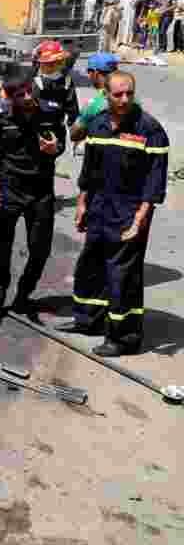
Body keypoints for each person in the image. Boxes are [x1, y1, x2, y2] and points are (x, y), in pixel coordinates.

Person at [58, 71, 169, 357]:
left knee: (122, 275)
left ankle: (123, 338)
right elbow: (89, 171)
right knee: (90, 264)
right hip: (98, 206)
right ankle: (88, 320)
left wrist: (139, 220)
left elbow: (154, 184)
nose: (124, 99)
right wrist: (82, 203)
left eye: (129, 93)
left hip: (130, 213)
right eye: (118, 94)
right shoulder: (97, 125)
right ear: (105, 94)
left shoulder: (150, 130)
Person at [0, 70, 67, 326]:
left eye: (30, 90)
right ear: (9, 96)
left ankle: (23, 295)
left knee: (40, 250)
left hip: (41, 192)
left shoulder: (50, 112)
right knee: (1, 249)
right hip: (9, 191)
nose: (28, 97)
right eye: (21, 94)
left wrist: (56, 148)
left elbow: (61, 141)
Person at [31, 41, 79, 130]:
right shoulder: (34, 81)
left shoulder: (33, 80)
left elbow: (73, 111)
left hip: (47, 129)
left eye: (58, 63)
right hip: (40, 129)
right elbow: (73, 111)